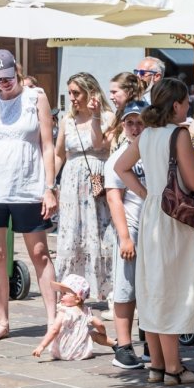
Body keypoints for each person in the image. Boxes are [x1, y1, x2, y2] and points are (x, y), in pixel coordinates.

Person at [115, 78, 194, 386]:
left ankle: (157, 364)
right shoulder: (179, 134)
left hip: (153, 213)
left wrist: (147, 192)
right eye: (186, 101)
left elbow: (121, 167)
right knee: (173, 288)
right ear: (175, 104)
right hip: (174, 217)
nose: (189, 106)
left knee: (154, 287)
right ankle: (173, 367)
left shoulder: (147, 135)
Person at [0, 49, 58, 341]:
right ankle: (2, 321)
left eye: (7, 77)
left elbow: (47, 144)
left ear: (16, 72)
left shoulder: (36, 97)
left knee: (39, 253)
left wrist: (50, 187)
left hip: (27, 185)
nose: (3, 83)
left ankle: (52, 320)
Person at [54, 72, 115, 299]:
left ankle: (107, 290)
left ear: (91, 92)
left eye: (76, 92)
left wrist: (96, 116)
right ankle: (70, 289)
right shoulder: (67, 120)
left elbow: (100, 144)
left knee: (100, 232)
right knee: (72, 233)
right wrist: (51, 184)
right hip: (71, 180)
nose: (72, 98)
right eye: (70, 93)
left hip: (97, 179)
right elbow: (60, 154)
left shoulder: (108, 117)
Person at [104, 99, 148, 370]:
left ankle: (150, 342)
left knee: (149, 288)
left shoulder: (154, 152)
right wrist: (124, 237)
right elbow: (113, 199)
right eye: (130, 122)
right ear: (123, 126)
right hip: (130, 226)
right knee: (125, 287)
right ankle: (123, 344)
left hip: (153, 228)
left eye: (140, 122)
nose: (135, 127)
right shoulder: (117, 158)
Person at [32, 274, 114, 361]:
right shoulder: (86, 311)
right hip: (80, 352)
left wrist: (41, 346)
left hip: (60, 352)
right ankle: (115, 343)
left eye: (64, 293)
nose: (61, 296)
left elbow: (54, 330)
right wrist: (103, 333)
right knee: (93, 334)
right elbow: (100, 324)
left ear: (77, 299)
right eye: (61, 293)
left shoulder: (64, 310)